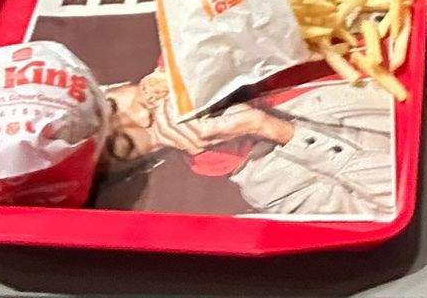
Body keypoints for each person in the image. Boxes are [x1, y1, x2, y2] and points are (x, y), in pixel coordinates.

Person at [101, 71, 395, 220]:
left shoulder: (204, 45)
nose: (141, 114)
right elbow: (391, 199)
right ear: (149, 158)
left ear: (119, 84)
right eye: (124, 143)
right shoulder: (268, 188)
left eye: (112, 107)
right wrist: (274, 129)